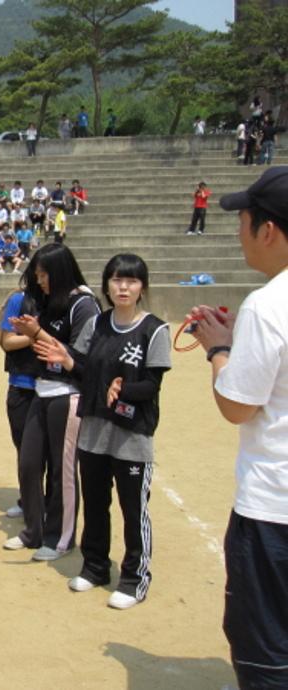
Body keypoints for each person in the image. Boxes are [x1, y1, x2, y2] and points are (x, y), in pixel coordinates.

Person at [190, 166, 288, 689]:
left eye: (243, 221)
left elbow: (237, 406)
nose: (238, 232)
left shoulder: (269, 305)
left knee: (266, 646)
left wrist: (219, 350)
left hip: (275, 507)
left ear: (267, 230)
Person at [35, 254, 171, 609]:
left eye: (131, 280)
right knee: (96, 504)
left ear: (142, 287)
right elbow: (83, 370)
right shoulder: (97, 324)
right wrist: (68, 361)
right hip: (93, 429)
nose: (123, 287)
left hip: (131, 435)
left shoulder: (154, 330)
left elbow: (151, 386)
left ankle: (134, 578)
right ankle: (95, 567)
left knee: (133, 510)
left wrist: (122, 388)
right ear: (107, 285)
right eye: (116, 280)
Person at [6, 243, 101, 560]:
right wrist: (31, 332)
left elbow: (79, 358)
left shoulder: (84, 305)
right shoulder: (50, 302)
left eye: (44, 274)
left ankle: (60, 538)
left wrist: (37, 333)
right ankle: (33, 531)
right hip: (42, 389)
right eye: (37, 275)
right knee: (29, 463)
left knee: (62, 471)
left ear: (59, 273)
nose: (40, 281)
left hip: (68, 394)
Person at [0, 261, 41, 520]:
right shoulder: (19, 300)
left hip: (54, 388)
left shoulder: (64, 303)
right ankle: (28, 501)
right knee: (25, 451)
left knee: (52, 454)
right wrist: (36, 336)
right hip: (23, 385)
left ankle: (49, 505)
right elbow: (8, 341)